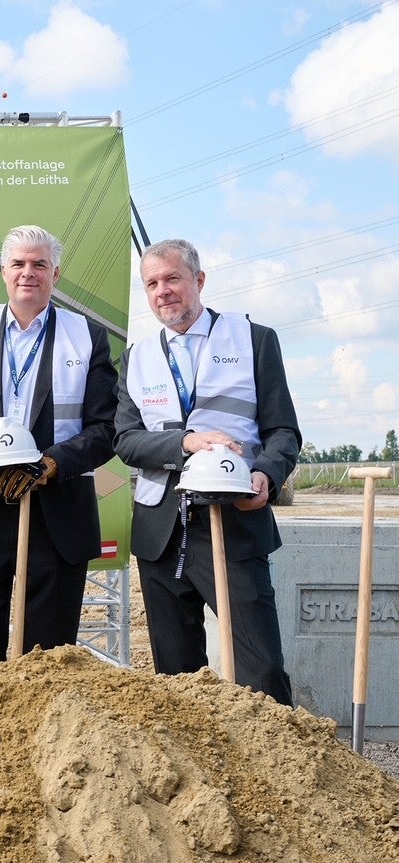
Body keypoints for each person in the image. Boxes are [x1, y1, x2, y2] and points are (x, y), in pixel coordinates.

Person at [115, 238, 298, 705]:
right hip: (161, 532)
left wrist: (266, 475)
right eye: (152, 283)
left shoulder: (253, 340)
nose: (163, 291)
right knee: (176, 681)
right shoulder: (137, 357)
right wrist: (185, 442)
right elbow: (126, 441)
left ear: (199, 280)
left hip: (234, 520)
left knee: (260, 669)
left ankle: (271, 750)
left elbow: (283, 431)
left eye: (172, 278)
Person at [0, 225, 117, 659]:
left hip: (56, 516)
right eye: (18, 263)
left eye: (39, 264)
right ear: (3, 271)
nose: (28, 272)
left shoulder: (87, 336)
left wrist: (53, 464)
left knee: (47, 662)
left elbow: (106, 428)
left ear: (55, 274)